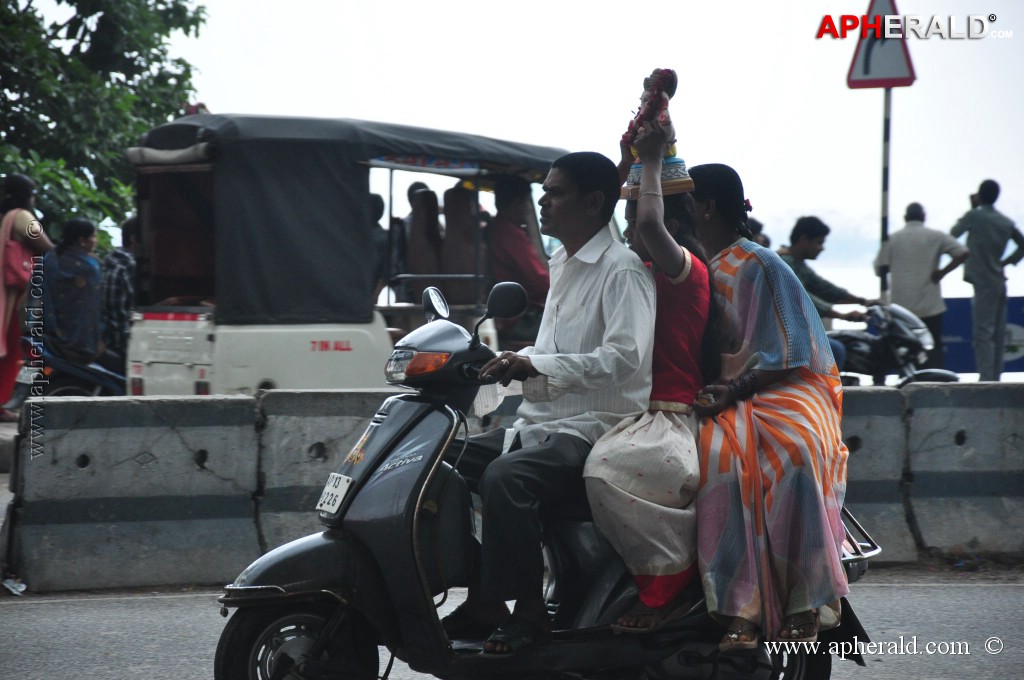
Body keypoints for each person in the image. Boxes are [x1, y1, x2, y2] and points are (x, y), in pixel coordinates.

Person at [446, 151, 656, 656]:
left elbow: (624, 358)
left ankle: (530, 615)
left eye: (556, 192)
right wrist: (511, 361)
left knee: (506, 479)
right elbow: (554, 350)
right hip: (546, 421)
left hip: (598, 427)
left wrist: (537, 367)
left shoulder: (621, 270)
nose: (544, 200)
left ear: (593, 202)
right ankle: (485, 597)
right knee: (442, 462)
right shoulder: (562, 261)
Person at [688, 163, 849, 652]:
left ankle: (806, 599)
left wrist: (736, 389)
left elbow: (792, 351)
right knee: (715, 462)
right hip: (724, 392)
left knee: (794, 452)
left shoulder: (759, 264)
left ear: (708, 208)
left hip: (788, 387)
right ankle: (739, 604)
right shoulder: (691, 266)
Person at [584, 121, 714, 632]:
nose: (634, 232)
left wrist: (654, 161)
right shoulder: (633, 271)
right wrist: (627, 164)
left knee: (604, 473)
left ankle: (670, 580)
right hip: (627, 412)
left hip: (668, 418)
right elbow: (603, 232)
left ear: (672, 227)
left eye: (641, 222)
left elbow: (652, 227)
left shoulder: (685, 273)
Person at [874, 202, 968, 369]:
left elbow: (879, 268)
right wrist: (942, 272)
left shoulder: (893, 239)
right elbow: (962, 252)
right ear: (923, 217)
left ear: (905, 218)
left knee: (904, 352)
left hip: (901, 307)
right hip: (930, 305)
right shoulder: (936, 236)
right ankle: (934, 385)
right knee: (932, 350)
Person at [778, 216, 878, 370]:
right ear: (804, 239)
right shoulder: (785, 263)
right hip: (782, 337)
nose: (822, 248)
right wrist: (842, 315)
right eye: (819, 242)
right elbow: (803, 299)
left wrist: (863, 301)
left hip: (794, 334)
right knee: (835, 349)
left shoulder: (798, 264)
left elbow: (825, 289)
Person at [950, 180, 1024, 381]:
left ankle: (986, 379)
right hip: (999, 280)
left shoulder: (975, 216)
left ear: (980, 195)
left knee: (983, 333)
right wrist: (1007, 261)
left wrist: (972, 210)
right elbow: (1023, 244)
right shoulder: (1005, 221)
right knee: (999, 335)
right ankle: (995, 377)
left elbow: (952, 235)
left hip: (982, 281)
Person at [0, 173, 54, 420]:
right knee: (12, 350)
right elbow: (46, 246)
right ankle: (3, 405)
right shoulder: (21, 216)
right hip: (13, 295)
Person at [42, 218, 119, 372]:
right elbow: (93, 308)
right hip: (82, 343)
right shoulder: (89, 268)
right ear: (82, 241)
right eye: (93, 236)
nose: (96, 241)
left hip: (49, 335)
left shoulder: (49, 259)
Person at [488, 175, 550, 341]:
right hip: (520, 319)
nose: (528, 209)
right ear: (517, 203)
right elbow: (540, 284)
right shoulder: (510, 234)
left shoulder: (497, 228)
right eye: (527, 203)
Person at [101, 215, 139, 372]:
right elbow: (132, 309)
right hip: (123, 341)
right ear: (134, 239)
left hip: (108, 338)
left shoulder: (110, 259)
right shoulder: (130, 264)